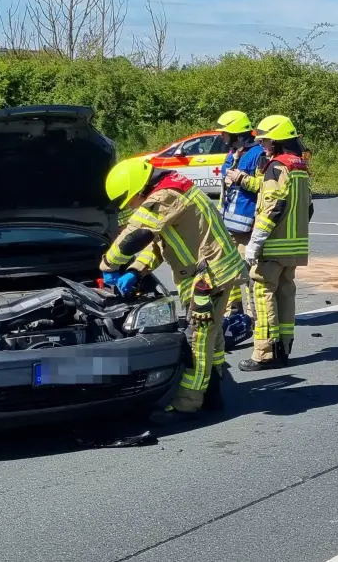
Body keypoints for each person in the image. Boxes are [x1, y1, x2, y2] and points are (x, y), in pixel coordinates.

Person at [101, 155, 243, 423]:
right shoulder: (173, 186)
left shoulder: (164, 197)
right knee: (212, 334)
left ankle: (187, 405)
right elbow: (158, 242)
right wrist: (135, 270)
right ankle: (214, 392)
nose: (131, 206)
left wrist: (108, 265)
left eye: (130, 200)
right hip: (214, 271)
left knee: (196, 341)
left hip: (208, 277)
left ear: (138, 189)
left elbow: (136, 234)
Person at [238, 114, 311, 371]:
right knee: (285, 293)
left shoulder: (277, 167)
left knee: (262, 294)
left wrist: (256, 241)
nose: (263, 146)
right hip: (294, 247)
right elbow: (307, 208)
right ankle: (284, 347)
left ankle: (265, 353)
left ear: (277, 141)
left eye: (267, 141)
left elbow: (272, 207)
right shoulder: (299, 165)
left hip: (273, 246)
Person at [215, 110, 263, 331]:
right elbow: (226, 176)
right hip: (228, 224)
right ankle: (233, 312)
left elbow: (263, 187)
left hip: (247, 225)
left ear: (236, 133)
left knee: (252, 275)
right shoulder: (232, 153)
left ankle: (256, 317)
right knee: (229, 271)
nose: (222, 137)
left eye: (225, 133)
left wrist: (241, 178)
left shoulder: (257, 154)